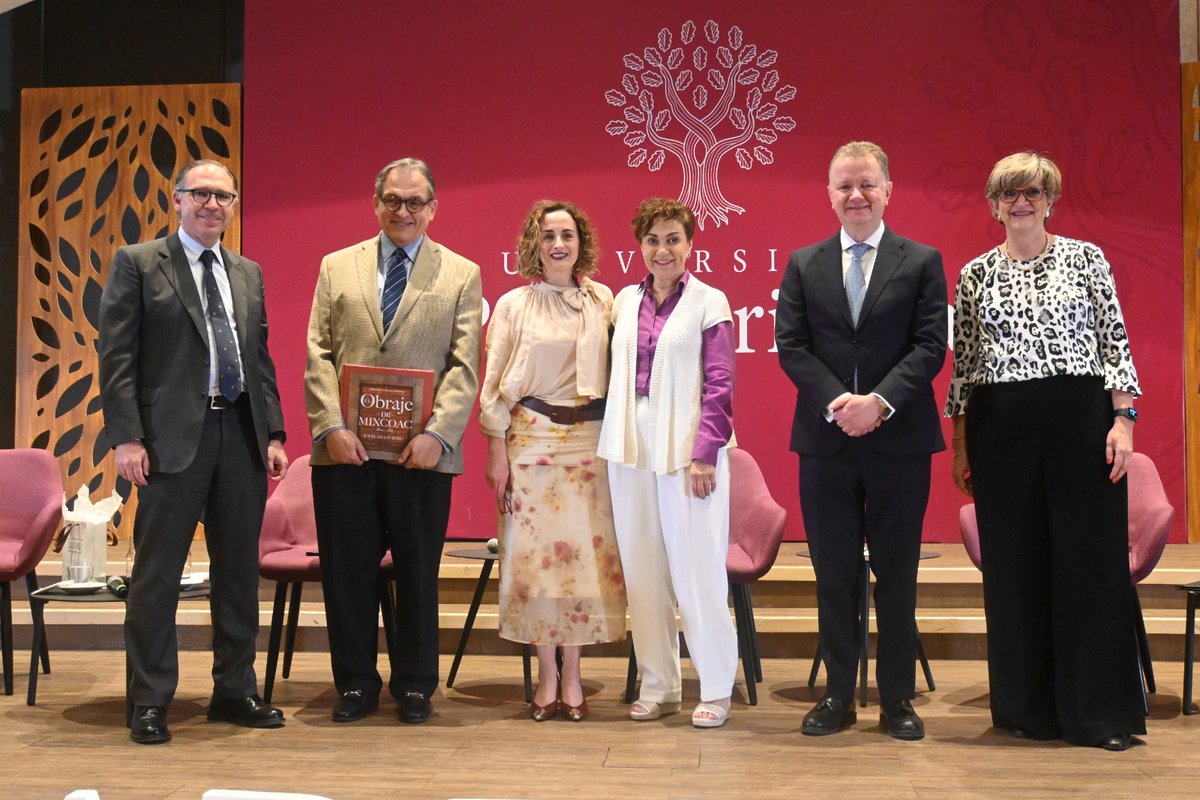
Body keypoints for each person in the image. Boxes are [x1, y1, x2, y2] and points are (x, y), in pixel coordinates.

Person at [946, 151, 1145, 751]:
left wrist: (1124, 420)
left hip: (1080, 422)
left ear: (1050, 198)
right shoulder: (975, 273)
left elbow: (1115, 340)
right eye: (1009, 194)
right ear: (994, 204)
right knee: (1015, 570)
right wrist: (961, 445)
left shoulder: (1086, 259)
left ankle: (1099, 715)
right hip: (1000, 427)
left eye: (1032, 191)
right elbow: (965, 366)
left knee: (1089, 567)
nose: (1021, 202)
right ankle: (1026, 708)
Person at [98, 159, 289, 744]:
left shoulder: (248, 272)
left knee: (237, 577)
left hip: (240, 436)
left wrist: (274, 433)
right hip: (168, 441)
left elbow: (257, 358)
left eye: (223, 197)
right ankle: (150, 701)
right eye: (200, 194)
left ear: (234, 206)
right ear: (177, 199)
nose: (212, 205)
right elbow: (117, 357)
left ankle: (235, 691)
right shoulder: (137, 262)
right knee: (156, 575)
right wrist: (127, 436)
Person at [775, 141, 948, 740]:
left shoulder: (922, 261)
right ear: (829, 194)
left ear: (887, 190)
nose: (856, 195)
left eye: (867, 184)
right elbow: (792, 346)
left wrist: (877, 403)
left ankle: (897, 700)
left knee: (897, 574)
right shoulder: (804, 263)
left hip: (899, 442)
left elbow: (929, 346)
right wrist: (838, 405)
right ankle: (838, 698)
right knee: (834, 574)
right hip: (826, 445)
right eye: (845, 185)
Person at [304, 157, 482, 724]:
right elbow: (318, 353)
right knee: (347, 572)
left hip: (419, 459)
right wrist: (329, 425)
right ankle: (355, 684)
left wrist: (438, 435)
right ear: (375, 202)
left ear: (433, 207)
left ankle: (413, 685)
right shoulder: (337, 266)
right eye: (393, 200)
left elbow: (464, 366)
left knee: (417, 571)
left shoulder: (461, 273)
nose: (402, 211)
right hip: (345, 454)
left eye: (415, 202)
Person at [479, 200, 627, 722]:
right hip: (531, 441)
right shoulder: (514, 304)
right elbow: (494, 384)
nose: (559, 244)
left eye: (567, 234)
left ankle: (573, 675)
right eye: (548, 236)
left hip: (589, 442)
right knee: (535, 565)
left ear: (582, 242)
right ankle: (545, 677)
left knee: (582, 565)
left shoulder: (603, 299)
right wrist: (497, 450)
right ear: (534, 245)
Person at [597, 197, 737, 729]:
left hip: (687, 450)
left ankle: (718, 686)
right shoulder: (623, 302)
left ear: (690, 243)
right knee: (642, 570)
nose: (662, 249)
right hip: (629, 446)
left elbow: (720, 384)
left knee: (697, 570)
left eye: (673, 238)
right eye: (652, 239)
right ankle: (660, 685)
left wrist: (706, 453)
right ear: (640, 245)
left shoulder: (709, 301)